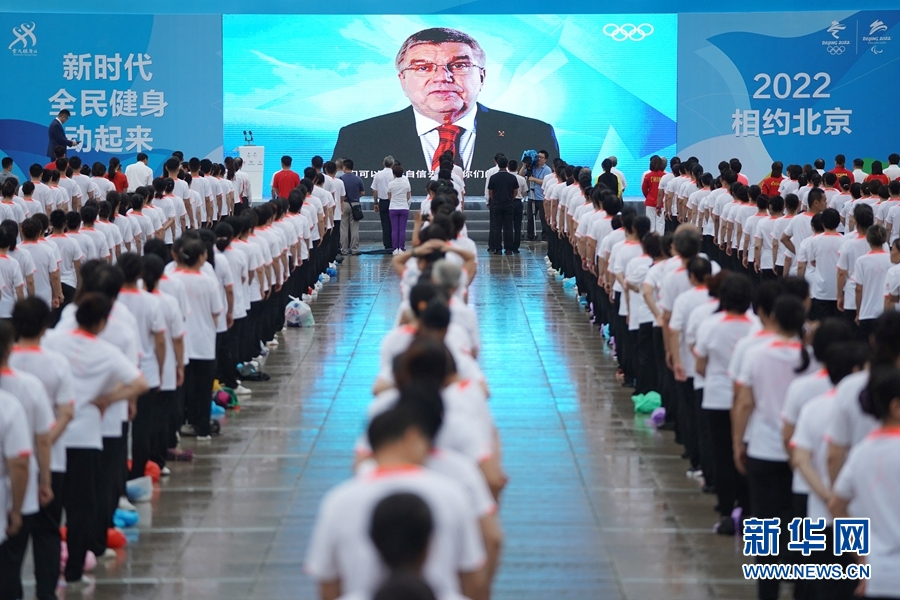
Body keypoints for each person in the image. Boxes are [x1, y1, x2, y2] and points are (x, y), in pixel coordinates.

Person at [331, 27, 558, 193]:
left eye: (459, 65)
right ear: (402, 79)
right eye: (423, 67)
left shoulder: (534, 133)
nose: (442, 77)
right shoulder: (358, 137)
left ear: (481, 76)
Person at [305, 396, 486, 600]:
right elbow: (473, 571)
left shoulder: (338, 501)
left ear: (372, 537)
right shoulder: (452, 493)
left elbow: (327, 581)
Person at [44, 293, 148, 586]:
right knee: (82, 508)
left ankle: (47, 576)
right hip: (87, 438)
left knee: (50, 512)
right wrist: (107, 399)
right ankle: (75, 570)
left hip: (54, 436)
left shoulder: (52, 341)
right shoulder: (107, 352)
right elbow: (139, 382)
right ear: (101, 323)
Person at [9, 298, 75, 600]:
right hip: (52, 459)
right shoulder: (57, 362)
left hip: (10, 462)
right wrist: (44, 440)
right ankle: (46, 592)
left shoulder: (7, 361)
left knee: (12, 537)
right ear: (45, 325)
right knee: (48, 529)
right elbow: (66, 412)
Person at [829, 364, 900, 600]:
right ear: (896, 406)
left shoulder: (861, 452)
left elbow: (836, 506)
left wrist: (862, 560)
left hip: (879, 578)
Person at [853, 225, 892, 339]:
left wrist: (858, 312)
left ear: (868, 239)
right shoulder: (892, 260)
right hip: (887, 314)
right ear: (884, 239)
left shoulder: (861, 261)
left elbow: (859, 289)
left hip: (867, 312)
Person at [486, 156, 517, 255]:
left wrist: (494, 200)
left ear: (498, 164)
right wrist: (511, 199)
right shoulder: (512, 177)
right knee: (508, 227)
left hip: (497, 205)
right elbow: (515, 192)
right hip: (509, 204)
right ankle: (508, 249)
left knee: (497, 227)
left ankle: (498, 249)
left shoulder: (493, 177)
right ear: (507, 165)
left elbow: (490, 192)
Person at [524, 150, 551, 241]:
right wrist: (524, 164)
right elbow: (521, 174)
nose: (539, 159)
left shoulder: (547, 169)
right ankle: (530, 236)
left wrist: (534, 179)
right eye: (538, 157)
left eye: (541, 157)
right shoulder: (532, 167)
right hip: (532, 196)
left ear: (545, 159)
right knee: (530, 218)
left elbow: (545, 182)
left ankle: (545, 237)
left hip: (542, 197)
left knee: (543, 218)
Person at [340, 160, 364, 255]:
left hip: (344, 204)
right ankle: (354, 249)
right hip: (355, 205)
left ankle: (344, 249)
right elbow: (362, 192)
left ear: (345, 167)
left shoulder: (341, 179)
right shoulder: (358, 179)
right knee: (354, 228)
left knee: (343, 229)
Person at [372, 156, 395, 252]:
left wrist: (375, 203)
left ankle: (387, 245)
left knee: (385, 225)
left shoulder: (378, 175)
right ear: (393, 164)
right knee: (394, 224)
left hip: (383, 202)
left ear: (383, 163)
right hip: (393, 202)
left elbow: (374, 190)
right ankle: (394, 243)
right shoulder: (394, 175)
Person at [388, 164, 412, 254]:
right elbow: (408, 196)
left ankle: (395, 249)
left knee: (394, 229)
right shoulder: (406, 183)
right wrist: (403, 201)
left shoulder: (391, 184)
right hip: (404, 207)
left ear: (393, 174)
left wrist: (395, 201)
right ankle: (401, 248)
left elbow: (389, 196)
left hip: (393, 208)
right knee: (402, 229)